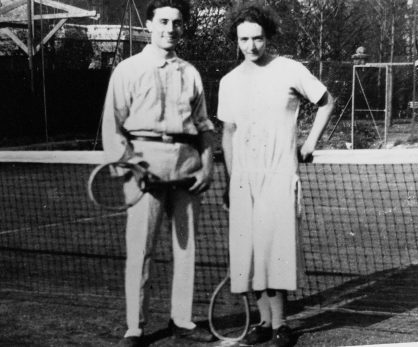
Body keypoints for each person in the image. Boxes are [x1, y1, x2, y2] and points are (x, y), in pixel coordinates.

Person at [218, 5, 334, 347]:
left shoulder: (289, 70)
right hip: (243, 179)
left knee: (276, 252)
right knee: (249, 254)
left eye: (257, 38)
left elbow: (326, 102)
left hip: (280, 176)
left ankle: (282, 325)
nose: (251, 46)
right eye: (244, 39)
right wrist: (230, 179)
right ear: (235, 41)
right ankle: (264, 323)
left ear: (267, 37)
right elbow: (228, 134)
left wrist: (309, 143)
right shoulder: (229, 82)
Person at [101, 0, 215, 346]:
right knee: (141, 249)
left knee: (187, 247)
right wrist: (129, 165)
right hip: (143, 167)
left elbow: (203, 125)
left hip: (185, 165)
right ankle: (135, 327)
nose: (169, 28)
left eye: (177, 23)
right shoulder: (127, 69)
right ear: (149, 24)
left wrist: (207, 164)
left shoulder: (190, 72)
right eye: (163, 21)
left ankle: (182, 319)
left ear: (183, 28)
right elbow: (112, 125)